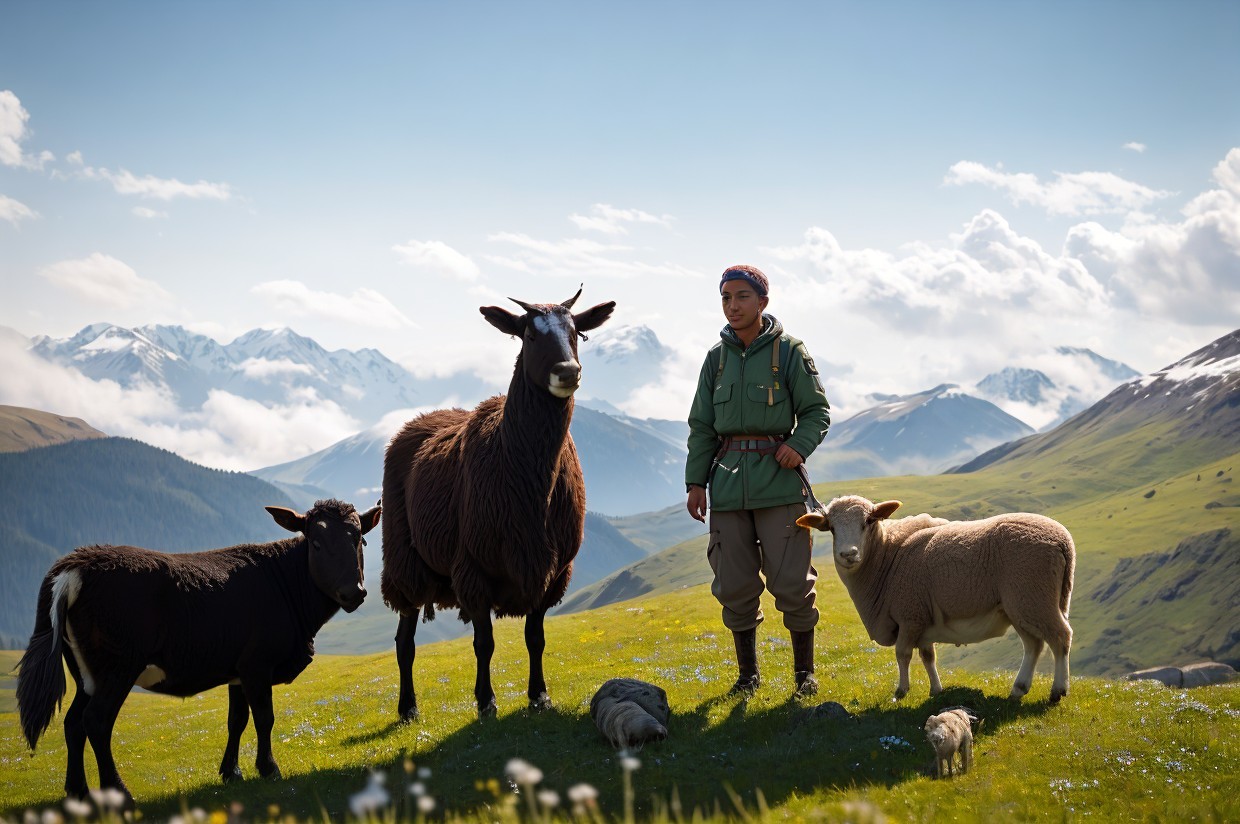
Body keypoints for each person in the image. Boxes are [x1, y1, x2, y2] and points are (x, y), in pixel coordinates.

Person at [685, 264, 831, 698]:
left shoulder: (789, 352)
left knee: (792, 584)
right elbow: (702, 427)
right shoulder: (715, 359)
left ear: (763, 301)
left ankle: (804, 677)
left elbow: (816, 412)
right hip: (727, 486)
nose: (733, 305)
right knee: (734, 584)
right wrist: (696, 483)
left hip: (780, 482)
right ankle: (748, 678)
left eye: (742, 297)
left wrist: (799, 446)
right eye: (726, 298)